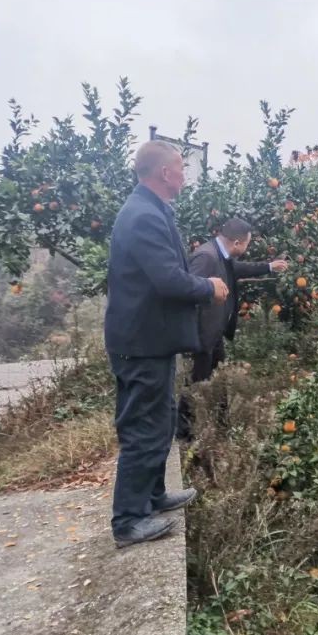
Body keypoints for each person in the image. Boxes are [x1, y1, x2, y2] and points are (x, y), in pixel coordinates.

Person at [103, 140, 229, 549]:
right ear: (164, 173)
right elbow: (169, 280)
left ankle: (153, 495)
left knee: (161, 419)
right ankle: (129, 519)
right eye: (181, 167)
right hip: (141, 343)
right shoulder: (142, 216)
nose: (184, 174)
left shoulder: (151, 210)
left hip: (151, 341)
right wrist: (208, 286)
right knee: (144, 427)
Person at [175, 217, 289, 440]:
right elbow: (187, 293)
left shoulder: (221, 255)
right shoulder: (206, 257)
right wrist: (192, 338)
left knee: (219, 378)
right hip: (201, 336)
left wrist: (268, 266)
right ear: (237, 243)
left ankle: (221, 424)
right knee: (197, 384)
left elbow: (238, 268)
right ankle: (184, 432)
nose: (247, 248)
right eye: (247, 243)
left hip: (213, 333)